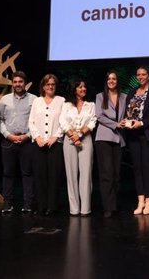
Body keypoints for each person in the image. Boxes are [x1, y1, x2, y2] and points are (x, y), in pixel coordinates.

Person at [120, 66, 149, 215]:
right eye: (138, 75)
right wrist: (126, 121)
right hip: (132, 135)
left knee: (147, 168)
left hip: (146, 134)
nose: (141, 77)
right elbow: (129, 111)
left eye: (144, 74)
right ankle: (140, 200)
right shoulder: (132, 92)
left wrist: (141, 123)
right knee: (137, 168)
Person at [0, 71, 36, 214]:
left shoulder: (34, 99)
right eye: (15, 82)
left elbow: (36, 122)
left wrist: (27, 135)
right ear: (12, 83)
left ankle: (28, 204)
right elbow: (0, 120)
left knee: (27, 173)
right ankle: (7, 203)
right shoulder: (4, 100)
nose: (18, 84)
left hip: (27, 141)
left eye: (20, 82)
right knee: (8, 173)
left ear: (25, 83)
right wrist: (8, 135)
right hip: (9, 141)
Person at [28, 73, 65, 216]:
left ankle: (52, 206)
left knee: (54, 176)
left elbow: (63, 121)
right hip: (38, 144)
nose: (50, 87)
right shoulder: (37, 101)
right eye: (48, 84)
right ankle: (41, 205)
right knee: (40, 175)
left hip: (55, 144)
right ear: (43, 86)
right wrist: (37, 137)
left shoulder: (61, 101)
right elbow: (31, 121)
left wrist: (55, 137)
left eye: (53, 84)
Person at [60, 78, 97, 216]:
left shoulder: (90, 105)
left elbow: (93, 121)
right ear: (74, 89)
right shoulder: (66, 105)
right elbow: (62, 121)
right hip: (69, 140)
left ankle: (85, 209)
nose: (83, 89)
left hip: (85, 140)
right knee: (71, 175)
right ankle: (74, 209)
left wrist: (79, 134)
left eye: (84, 87)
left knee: (86, 174)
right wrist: (72, 136)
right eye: (80, 87)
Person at [94, 70, 127, 218]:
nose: (112, 81)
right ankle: (108, 207)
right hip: (104, 138)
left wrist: (126, 122)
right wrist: (115, 124)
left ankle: (114, 205)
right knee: (106, 173)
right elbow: (99, 116)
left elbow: (128, 115)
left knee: (116, 174)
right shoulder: (100, 96)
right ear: (106, 81)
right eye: (109, 79)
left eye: (114, 78)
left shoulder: (124, 97)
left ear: (117, 81)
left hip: (119, 138)